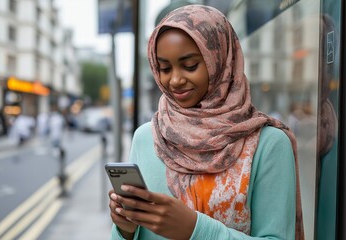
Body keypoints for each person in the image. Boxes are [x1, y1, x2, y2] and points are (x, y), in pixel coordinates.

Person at [108, 5, 304, 240]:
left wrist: (195, 229)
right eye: (164, 68)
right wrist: (125, 230)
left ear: (220, 60)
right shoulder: (147, 137)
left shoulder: (268, 144)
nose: (175, 80)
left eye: (190, 66)